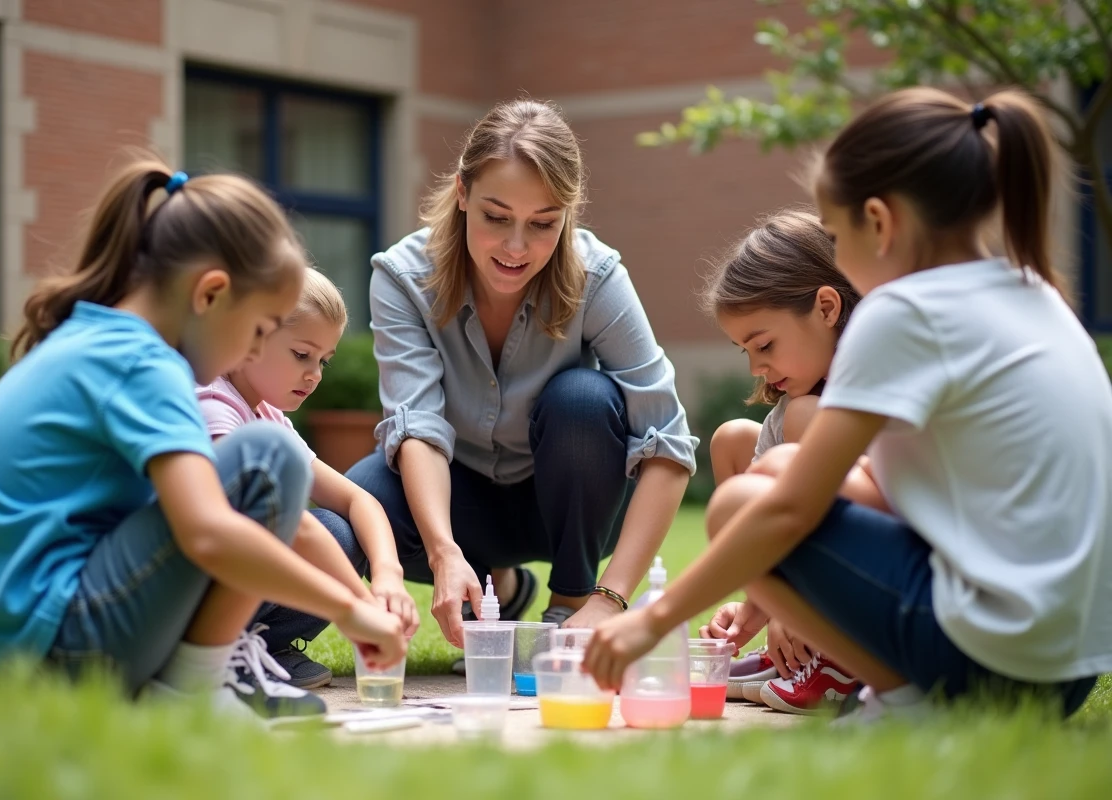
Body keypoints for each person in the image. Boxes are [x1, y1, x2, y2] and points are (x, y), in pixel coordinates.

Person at [583, 88, 1112, 723]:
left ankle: (905, 701)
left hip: (993, 665)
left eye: (834, 234)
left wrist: (653, 622)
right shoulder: (1031, 293)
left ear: (882, 223)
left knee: (743, 504)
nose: (836, 255)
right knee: (778, 471)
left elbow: (787, 513)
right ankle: (898, 689)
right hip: (1067, 671)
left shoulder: (905, 311)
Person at [0, 158, 405, 726]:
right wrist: (351, 610)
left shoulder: (102, 338)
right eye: (258, 330)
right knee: (267, 457)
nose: (252, 353)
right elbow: (206, 531)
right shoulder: (144, 363)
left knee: (262, 455)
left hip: (5, 652)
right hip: (52, 652)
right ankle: (194, 689)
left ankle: (182, 679)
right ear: (210, 294)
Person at [345, 99, 698, 656]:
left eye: (543, 224)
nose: (516, 247)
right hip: (456, 502)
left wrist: (609, 598)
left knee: (583, 399)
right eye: (496, 216)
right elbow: (418, 427)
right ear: (462, 193)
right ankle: (498, 586)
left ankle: (570, 601)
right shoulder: (402, 276)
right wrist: (443, 552)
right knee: (353, 505)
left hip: (570, 504)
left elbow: (669, 444)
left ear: (568, 214)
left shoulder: (597, 275)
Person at [197, 266, 420, 690]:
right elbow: (283, 527)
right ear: (251, 335)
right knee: (320, 533)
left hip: (240, 581)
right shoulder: (213, 405)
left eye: (323, 361)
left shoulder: (268, 414)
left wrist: (388, 574)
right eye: (302, 355)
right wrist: (361, 604)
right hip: (195, 590)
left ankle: (264, 647)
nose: (315, 374)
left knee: (340, 529)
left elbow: (361, 501)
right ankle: (224, 651)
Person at [701, 208, 871, 714]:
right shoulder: (789, 411)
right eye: (745, 352)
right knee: (733, 438)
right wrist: (757, 608)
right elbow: (768, 520)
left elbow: (828, 514)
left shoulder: (856, 393)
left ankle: (834, 650)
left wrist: (797, 601)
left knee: (801, 423)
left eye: (765, 344)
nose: (757, 367)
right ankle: (796, 645)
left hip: (878, 579)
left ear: (826, 308)